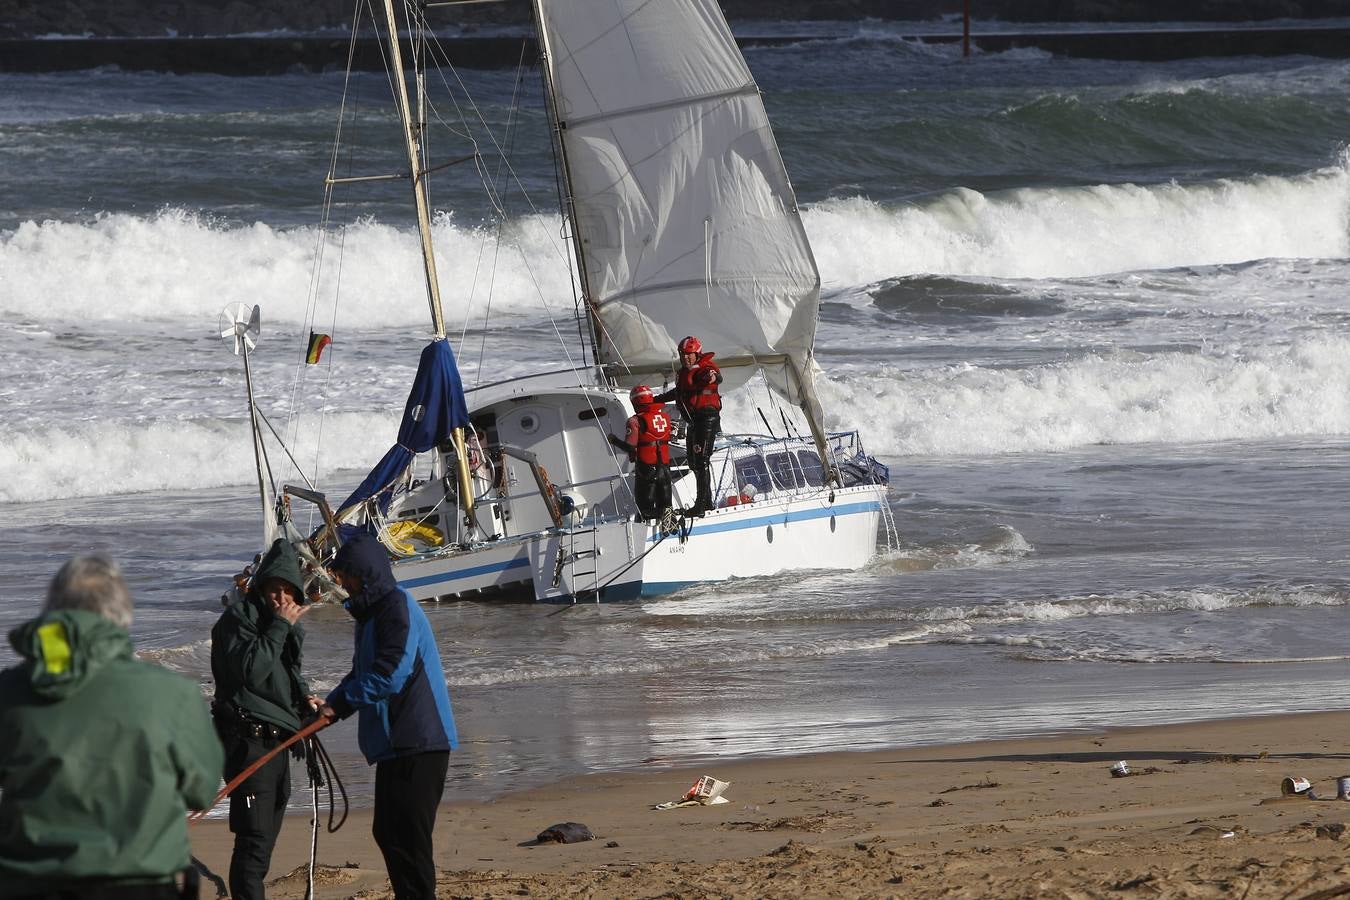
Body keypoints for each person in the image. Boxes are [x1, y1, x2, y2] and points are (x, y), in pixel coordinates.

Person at [0, 554, 224, 900]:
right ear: (122, 615)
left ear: (51, 609)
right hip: (139, 882)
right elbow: (201, 789)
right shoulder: (172, 694)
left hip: (30, 882)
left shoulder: (9, 692)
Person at [318, 533, 457, 900]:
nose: (341, 583)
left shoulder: (397, 605)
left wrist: (342, 705)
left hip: (421, 741)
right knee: (389, 832)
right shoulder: (370, 616)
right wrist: (330, 705)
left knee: (407, 838)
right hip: (398, 745)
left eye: (344, 575)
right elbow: (361, 673)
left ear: (363, 574)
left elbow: (390, 673)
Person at [211, 537, 318, 900]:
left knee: (265, 843)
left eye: (289, 591)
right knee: (253, 844)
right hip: (248, 742)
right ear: (262, 586)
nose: (282, 599)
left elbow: (286, 673)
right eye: (275, 589)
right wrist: (279, 627)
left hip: (278, 743)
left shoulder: (283, 627)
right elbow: (252, 672)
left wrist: (305, 699)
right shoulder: (238, 620)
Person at [656, 334, 723, 516]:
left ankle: (701, 506)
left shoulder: (704, 368)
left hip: (706, 419)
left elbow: (714, 376)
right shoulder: (684, 373)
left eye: (689, 354)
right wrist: (655, 401)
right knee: (693, 462)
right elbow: (678, 392)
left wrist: (712, 377)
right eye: (682, 353)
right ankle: (706, 502)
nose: (685, 357)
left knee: (701, 461)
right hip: (693, 421)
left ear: (697, 354)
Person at [621, 383, 674, 522]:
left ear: (635, 402)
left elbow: (630, 445)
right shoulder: (665, 417)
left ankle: (648, 525)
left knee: (645, 505)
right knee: (666, 501)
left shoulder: (634, 421)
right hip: (665, 467)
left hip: (646, 467)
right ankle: (668, 522)